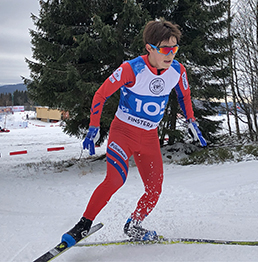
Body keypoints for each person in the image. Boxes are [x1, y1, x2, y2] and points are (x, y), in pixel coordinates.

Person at [61, 18, 206, 247]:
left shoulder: (177, 70)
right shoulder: (132, 69)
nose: (171, 54)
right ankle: (82, 226)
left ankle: (134, 224)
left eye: (175, 48)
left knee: (155, 188)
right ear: (150, 48)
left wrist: (191, 121)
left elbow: (184, 95)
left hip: (149, 137)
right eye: (166, 49)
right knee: (116, 179)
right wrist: (94, 127)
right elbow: (100, 95)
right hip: (123, 133)